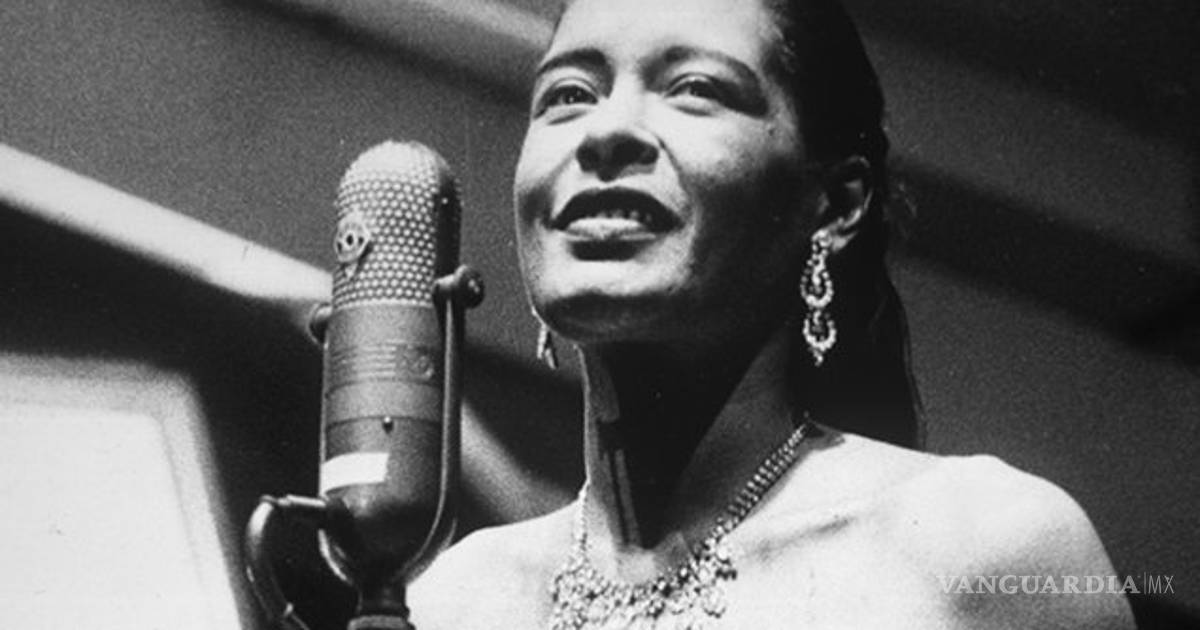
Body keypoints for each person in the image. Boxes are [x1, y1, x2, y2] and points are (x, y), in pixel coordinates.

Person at [410, 0, 1134, 627]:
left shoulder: (979, 548)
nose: (605, 133)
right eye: (568, 94)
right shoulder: (449, 602)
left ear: (836, 203)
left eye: (694, 88)